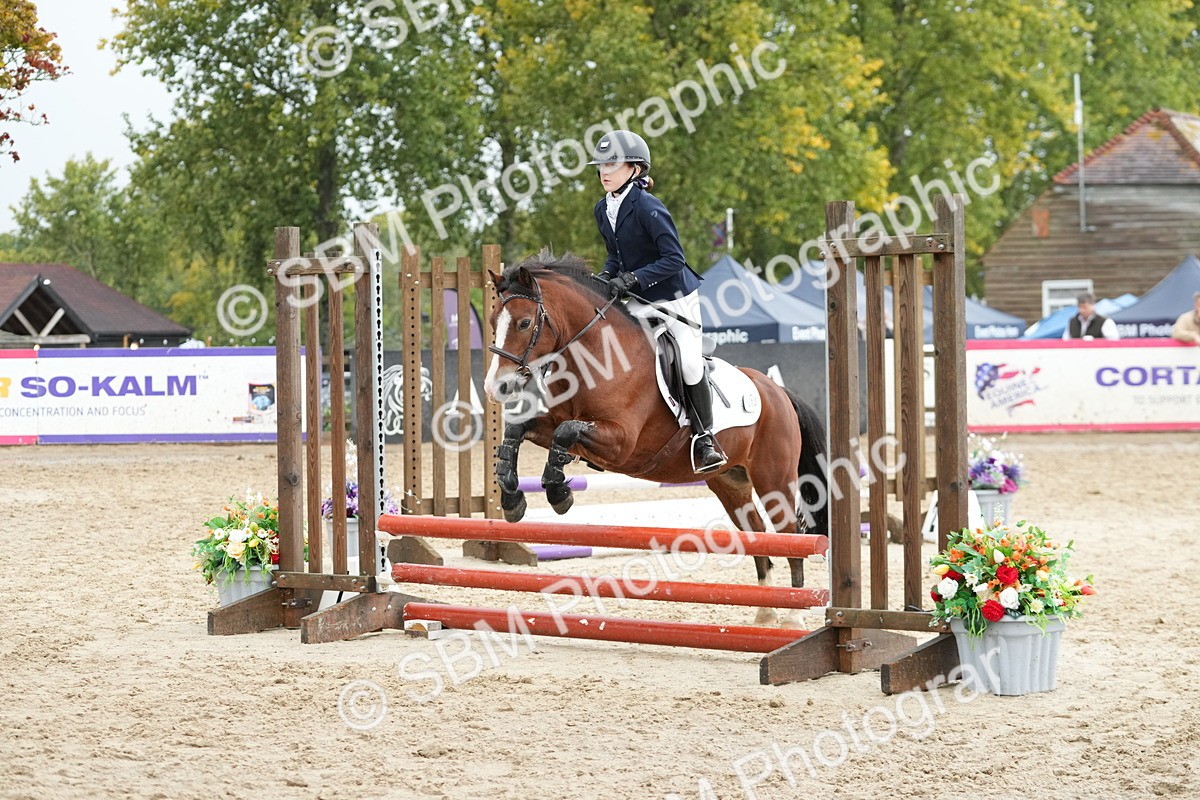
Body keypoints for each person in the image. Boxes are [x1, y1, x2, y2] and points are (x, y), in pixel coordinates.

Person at [588, 129, 727, 474]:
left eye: (612, 164)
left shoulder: (648, 207)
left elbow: (674, 259)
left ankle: (705, 438)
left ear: (635, 169)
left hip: (675, 297)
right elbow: (615, 255)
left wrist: (632, 278)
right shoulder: (602, 209)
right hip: (638, 298)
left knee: (690, 363)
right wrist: (606, 276)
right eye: (601, 165)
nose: (604, 171)